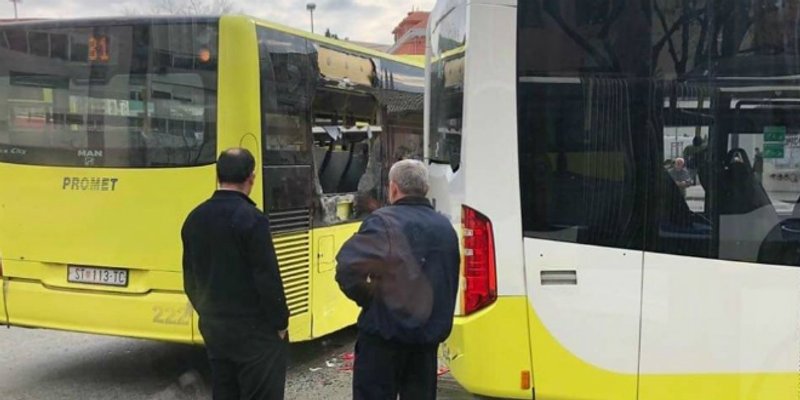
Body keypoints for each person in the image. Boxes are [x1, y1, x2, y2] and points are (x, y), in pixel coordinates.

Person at [335, 159, 460, 400]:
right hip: (425, 342)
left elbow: (347, 269)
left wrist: (369, 298)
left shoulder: (382, 222)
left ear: (393, 188)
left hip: (384, 338)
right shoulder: (445, 227)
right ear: (426, 189)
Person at [181, 148, 289, 400]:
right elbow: (267, 278)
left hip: (215, 328)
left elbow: (190, 279)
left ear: (217, 175)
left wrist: (208, 314)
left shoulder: (194, 218)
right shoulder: (252, 219)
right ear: (251, 178)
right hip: (255, 333)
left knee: (225, 390)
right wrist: (280, 323)